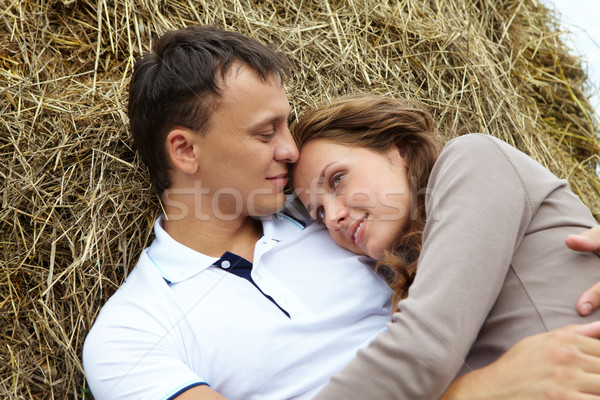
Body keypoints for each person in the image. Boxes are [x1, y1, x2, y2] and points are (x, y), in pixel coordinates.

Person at [82, 25, 600, 400]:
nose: (290, 151)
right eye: (266, 133)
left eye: (287, 126)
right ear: (186, 151)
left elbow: (481, 212)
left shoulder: (350, 222)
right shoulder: (132, 332)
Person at [290, 94, 600, 399]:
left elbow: (422, 348)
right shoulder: (409, 275)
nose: (332, 217)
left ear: (398, 148)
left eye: (337, 179)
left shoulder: (474, 158)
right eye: (319, 211)